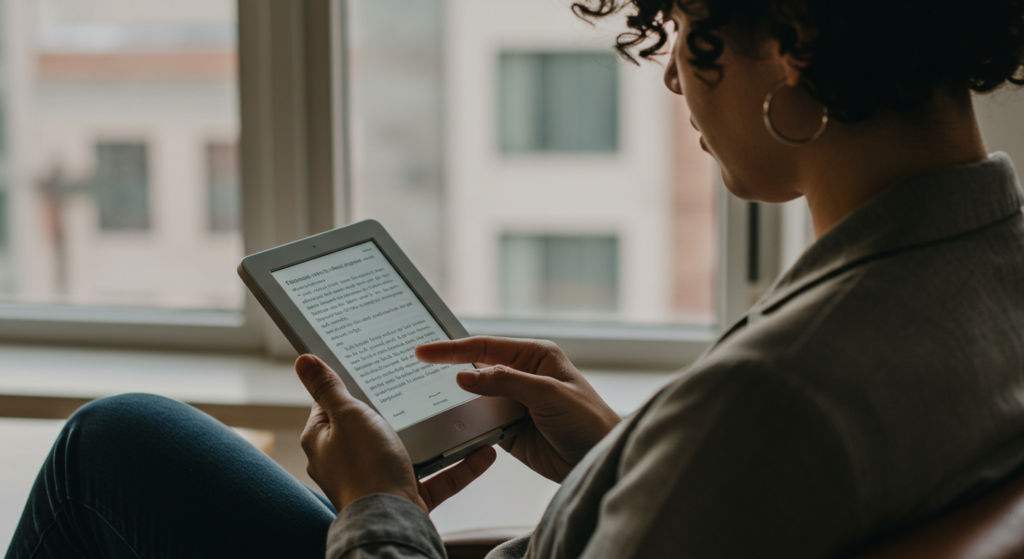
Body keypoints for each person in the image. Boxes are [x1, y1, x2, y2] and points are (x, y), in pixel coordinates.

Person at [7, 0, 1024, 557]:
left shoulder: (780, 393)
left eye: (683, 25)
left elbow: (767, 446)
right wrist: (620, 456)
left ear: (790, 41)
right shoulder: (987, 266)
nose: (672, 73)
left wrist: (376, 505)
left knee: (113, 442)